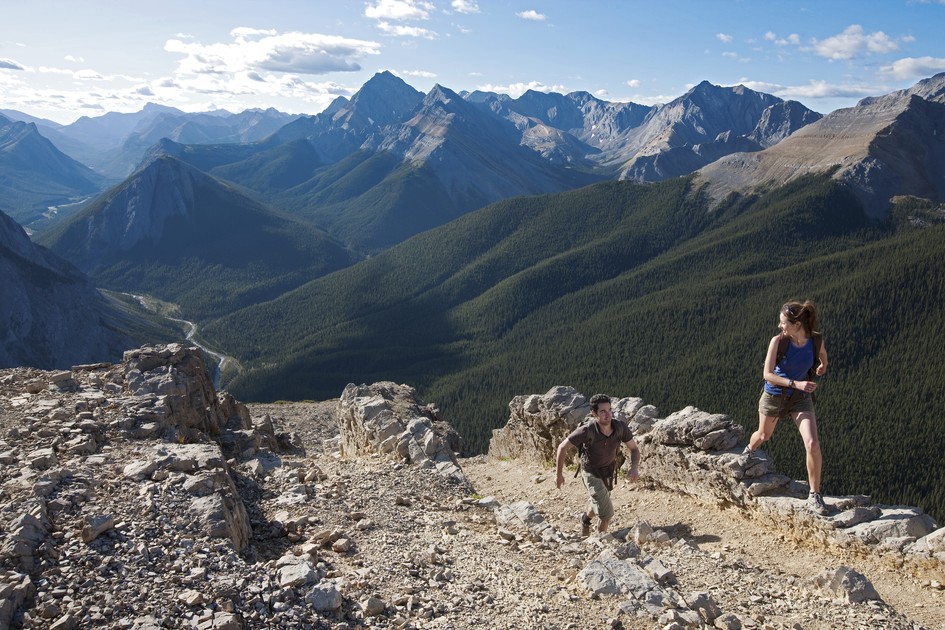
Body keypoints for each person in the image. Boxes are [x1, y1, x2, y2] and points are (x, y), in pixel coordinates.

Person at [743, 300, 829, 515]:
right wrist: (796, 383)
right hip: (775, 395)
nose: (780, 326)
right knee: (763, 435)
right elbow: (768, 374)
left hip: (800, 398)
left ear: (797, 324)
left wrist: (822, 366)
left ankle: (814, 495)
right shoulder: (778, 342)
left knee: (812, 443)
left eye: (783, 323)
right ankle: (748, 452)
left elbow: (823, 354)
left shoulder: (815, 340)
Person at [555, 394, 640, 536]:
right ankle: (600, 544)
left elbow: (634, 449)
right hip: (591, 472)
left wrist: (634, 467)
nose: (608, 414)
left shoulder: (620, 428)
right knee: (606, 514)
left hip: (608, 471)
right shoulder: (586, 431)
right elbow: (562, 447)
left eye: (609, 410)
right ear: (594, 413)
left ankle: (585, 520)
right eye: (603, 411)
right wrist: (558, 474)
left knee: (599, 502)